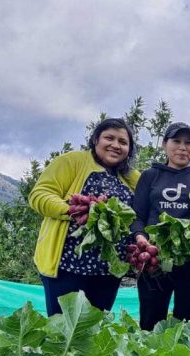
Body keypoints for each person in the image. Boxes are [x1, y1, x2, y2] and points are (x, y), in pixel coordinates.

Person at [30, 118, 140, 316]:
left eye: (123, 142)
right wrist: (75, 211)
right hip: (68, 265)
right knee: (63, 329)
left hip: (108, 271)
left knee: (95, 332)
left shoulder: (130, 177)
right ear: (96, 139)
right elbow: (39, 194)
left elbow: (146, 208)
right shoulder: (72, 161)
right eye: (109, 138)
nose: (115, 145)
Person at [130, 122, 190, 330]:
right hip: (154, 259)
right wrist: (140, 237)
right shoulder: (150, 175)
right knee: (150, 321)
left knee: (187, 322)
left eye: (189, 143)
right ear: (164, 145)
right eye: (176, 141)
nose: (182, 147)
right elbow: (136, 215)